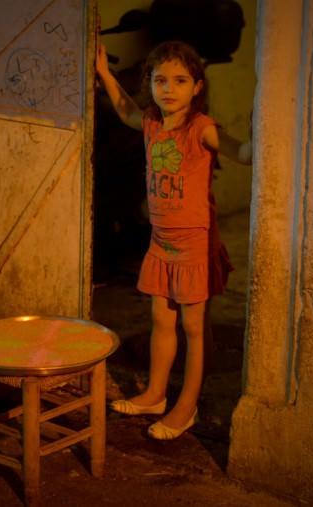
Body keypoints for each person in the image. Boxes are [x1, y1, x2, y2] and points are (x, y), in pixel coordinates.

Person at [96, 40, 237, 440]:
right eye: (160, 80)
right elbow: (126, 110)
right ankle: (155, 395)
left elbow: (241, 150)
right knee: (161, 319)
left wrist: (267, 129)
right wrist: (104, 72)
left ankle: (187, 406)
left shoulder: (201, 128)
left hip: (194, 244)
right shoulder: (152, 123)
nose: (169, 89)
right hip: (161, 242)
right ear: (150, 84)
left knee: (194, 328)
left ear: (197, 86)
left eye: (180, 80)